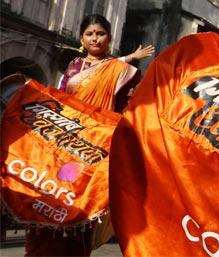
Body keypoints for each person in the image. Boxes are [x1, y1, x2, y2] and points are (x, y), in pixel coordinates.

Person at [24, 14, 154, 256]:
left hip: (95, 151)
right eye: (90, 34)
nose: (95, 38)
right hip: (61, 144)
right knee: (46, 203)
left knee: (82, 213)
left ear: (109, 37)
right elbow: (58, 102)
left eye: (101, 33)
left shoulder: (124, 72)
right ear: (82, 39)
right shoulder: (73, 67)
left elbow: (132, 111)